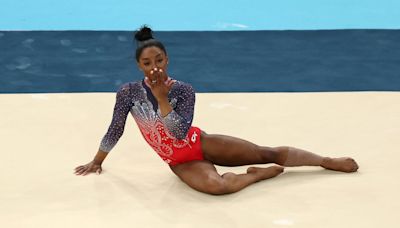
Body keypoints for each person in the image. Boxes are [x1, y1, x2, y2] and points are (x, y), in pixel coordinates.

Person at [74, 25, 359, 195]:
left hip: (201, 143)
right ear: (139, 66)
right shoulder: (128, 93)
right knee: (218, 188)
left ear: (167, 59)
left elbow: (180, 131)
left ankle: (325, 161)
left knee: (266, 152)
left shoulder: (183, 90)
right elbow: (116, 127)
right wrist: (97, 160)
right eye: (147, 63)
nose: (154, 67)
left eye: (159, 60)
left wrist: (163, 100)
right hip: (180, 162)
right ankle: (254, 176)